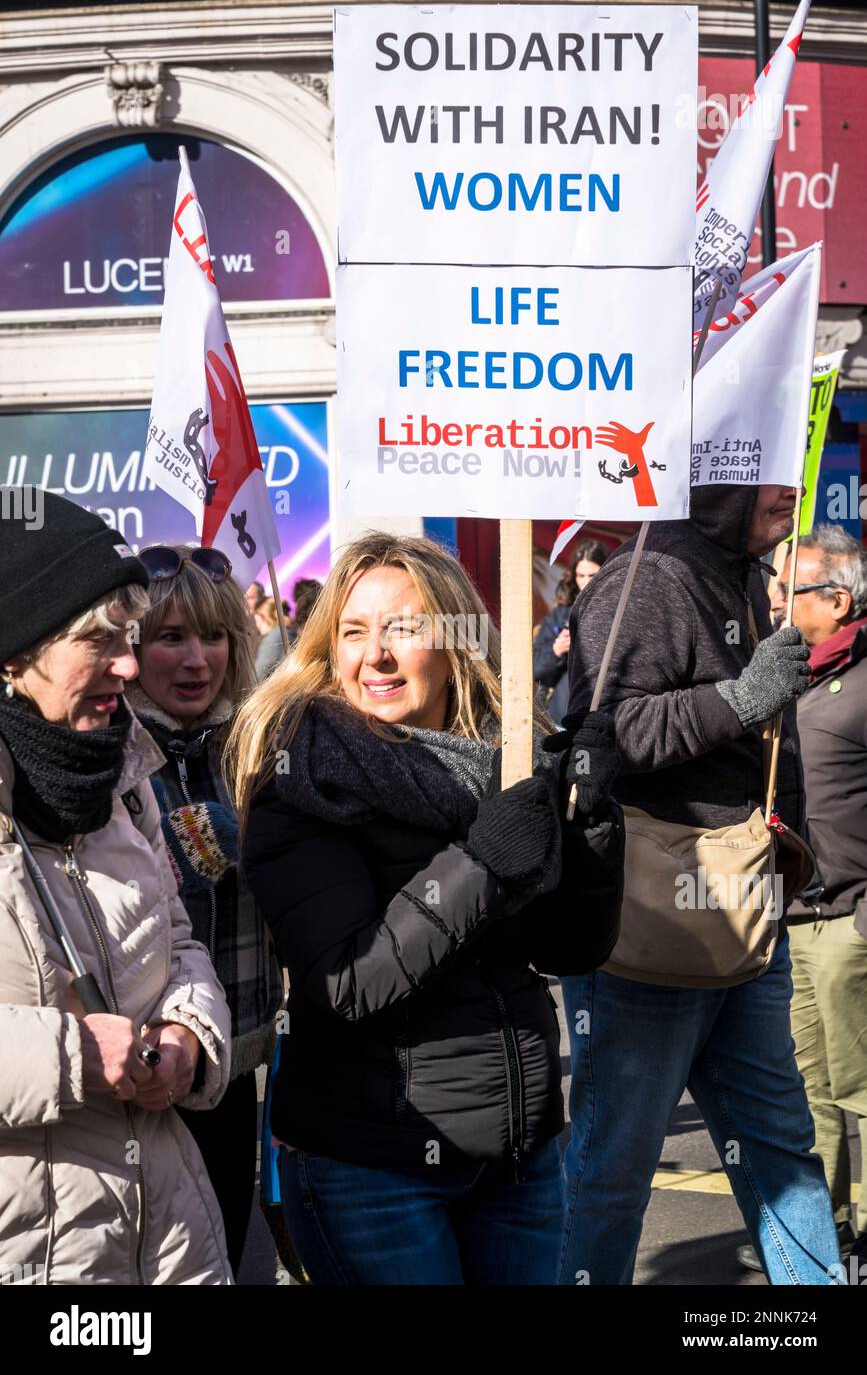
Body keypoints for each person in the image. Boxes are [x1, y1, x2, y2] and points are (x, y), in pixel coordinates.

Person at [228, 531, 624, 1286]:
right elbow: (349, 981)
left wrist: (593, 823)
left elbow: (569, 948)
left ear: (456, 644)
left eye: (403, 628)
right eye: (352, 631)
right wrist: (478, 862)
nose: (374, 654)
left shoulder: (507, 758)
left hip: (522, 1160)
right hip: (372, 1172)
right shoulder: (302, 775)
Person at [558, 483, 841, 1286]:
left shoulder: (743, 569)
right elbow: (606, 733)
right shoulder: (646, 576)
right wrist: (741, 697)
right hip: (656, 917)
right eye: (763, 472)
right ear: (711, 473)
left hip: (742, 912)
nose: (788, 490)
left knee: (780, 1149)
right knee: (615, 1166)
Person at [0, 494, 233, 1285]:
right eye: (98, 641)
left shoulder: (122, 774)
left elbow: (179, 940)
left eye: (129, 638)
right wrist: (69, 1054)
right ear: (11, 653)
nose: (129, 667)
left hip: (165, 1237)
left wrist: (187, 1038)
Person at [126, 543, 284, 1277]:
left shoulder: (256, 744)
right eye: (171, 637)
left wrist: (260, 840)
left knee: (223, 1244)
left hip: (235, 1057)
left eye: (214, 636)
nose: (197, 660)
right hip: (130, 1068)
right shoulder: (101, 752)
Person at [734, 525, 867, 1270]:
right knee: (806, 1095)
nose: (775, 600)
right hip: (796, 918)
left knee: (865, 1091)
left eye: (790, 589)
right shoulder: (791, 676)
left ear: (838, 600)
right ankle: (825, 1236)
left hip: (851, 920)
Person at [534, 540, 609, 724]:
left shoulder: (621, 610)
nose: (585, 582)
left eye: (592, 575)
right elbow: (536, 669)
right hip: (564, 717)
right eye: (580, 575)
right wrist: (556, 651)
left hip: (608, 714)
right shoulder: (560, 615)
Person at [254, 596, 291, 683]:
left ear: (263, 617)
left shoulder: (274, 637)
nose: (256, 625)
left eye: (256, 620)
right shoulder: (284, 632)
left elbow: (260, 672)